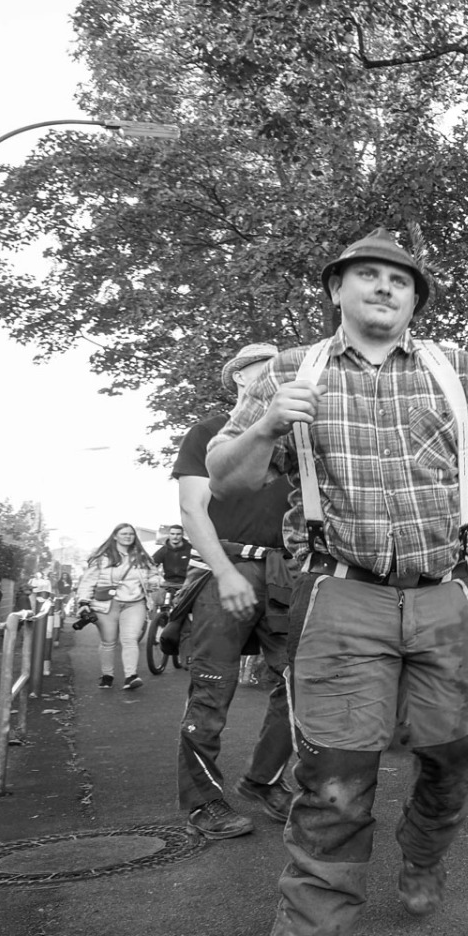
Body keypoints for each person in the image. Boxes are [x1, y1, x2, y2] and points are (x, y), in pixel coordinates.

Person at [208, 228, 468, 936]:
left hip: (445, 592)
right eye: (366, 275)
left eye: (398, 280)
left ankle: (426, 841)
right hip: (343, 596)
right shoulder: (290, 371)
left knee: (463, 747)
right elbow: (224, 484)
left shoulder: (458, 369)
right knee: (336, 780)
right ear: (336, 289)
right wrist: (266, 427)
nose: (383, 288)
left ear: (415, 299)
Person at [172, 343, 300, 841]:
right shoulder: (207, 433)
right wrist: (224, 572)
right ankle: (203, 801)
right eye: (264, 369)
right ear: (241, 379)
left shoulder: (298, 437)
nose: (275, 374)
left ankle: (264, 780)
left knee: (301, 682)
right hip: (226, 566)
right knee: (212, 687)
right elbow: (192, 510)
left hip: (287, 571)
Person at [75, 523, 156, 690]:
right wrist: (84, 601)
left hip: (135, 603)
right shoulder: (102, 558)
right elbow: (88, 581)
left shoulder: (142, 557)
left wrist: (154, 582)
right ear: (115, 536)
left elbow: (154, 575)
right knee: (108, 642)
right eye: (124, 534)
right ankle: (107, 675)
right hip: (107, 604)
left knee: (130, 639)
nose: (128, 536)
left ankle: (131, 676)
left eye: (131, 534)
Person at [150, 524, 192, 608]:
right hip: (168, 583)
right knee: (157, 600)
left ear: (182, 535)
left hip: (187, 584)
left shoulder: (190, 549)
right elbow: (151, 565)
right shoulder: (163, 550)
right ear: (169, 535)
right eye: (172, 534)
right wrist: (156, 577)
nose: (175, 537)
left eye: (178, 534)